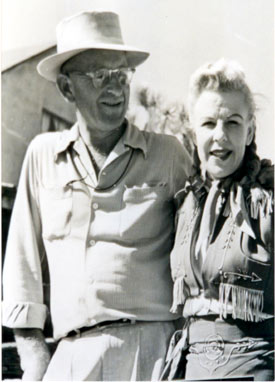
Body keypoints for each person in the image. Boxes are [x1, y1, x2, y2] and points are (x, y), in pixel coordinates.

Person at [2, 11, 193, 381]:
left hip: (154, 354)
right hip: (71, 358)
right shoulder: (42, 156)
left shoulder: (169, 156)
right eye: (99, 76)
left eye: (121, 75)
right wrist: (36, 363)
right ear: (67, 88)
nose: (115, 88)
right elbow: (21, 272)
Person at [161, 59, 274, 381]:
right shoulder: (185, 204)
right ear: (193, 131)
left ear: (250, 130)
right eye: (209, 123)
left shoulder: (269, 200)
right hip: (191, 366)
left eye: (233, 123)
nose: (220, 136)